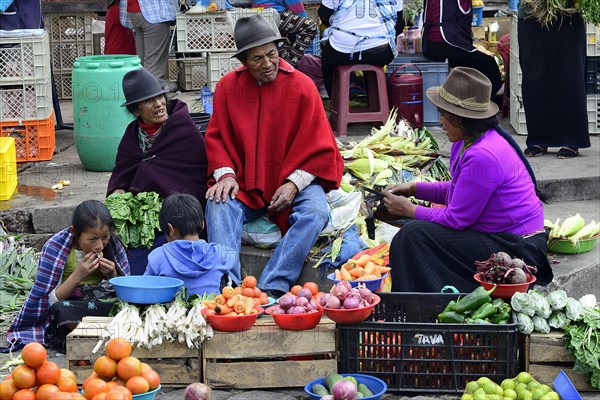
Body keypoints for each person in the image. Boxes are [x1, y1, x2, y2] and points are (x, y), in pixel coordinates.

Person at [204, 14, 344, 297]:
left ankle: (273, 284)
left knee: (315, 212)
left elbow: (321, 148)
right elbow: (216, 135)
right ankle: (227, 287)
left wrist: (293, 185)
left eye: (272, 54)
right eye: (257, 59)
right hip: (245, 183)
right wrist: (226, 174)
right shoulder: (228, 88)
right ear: (243, 61)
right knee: (218, 204)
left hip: (296, 181)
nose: (268, 64)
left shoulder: (302, 86)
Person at [381, 67, 553, 293]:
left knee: (413, 236)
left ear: (460, 119)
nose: (440, 121)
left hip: (518, 245)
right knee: (417, 233)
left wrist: (409, 210)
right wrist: (413, 188)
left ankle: (421, 304)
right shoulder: (464, 142)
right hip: (496, 234)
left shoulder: (483, 154)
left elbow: (457, 219)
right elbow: (458, 190)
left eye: (443, 115)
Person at [107, 67, 208, 275]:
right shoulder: (133, 134)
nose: (159, 104)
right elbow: (122, 173)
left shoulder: (183, 128)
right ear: (136, 111)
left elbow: (196, 176)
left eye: (160, 97)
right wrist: (119, 194)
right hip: (143, 214)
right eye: (149, 101)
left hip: (178, 211)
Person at [4, 200, 129, 352]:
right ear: (74, 232)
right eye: (92, 239)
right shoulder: (55, 247)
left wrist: (112, 275)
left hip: (100, 302)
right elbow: (49, 300)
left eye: (105, 237)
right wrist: (78, 274)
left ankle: (83, 336)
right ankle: (100, 334)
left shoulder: (113, 246)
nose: (99, 245)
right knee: (60, 310)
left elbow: (125, 291)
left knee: (128, 309)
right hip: (72, 305)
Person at [518, 9, 590, 158]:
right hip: (532, 13)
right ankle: (539, 138)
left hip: (568, 12)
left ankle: (572, 139)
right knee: (534, 75)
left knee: (569, 73)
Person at [144, 194, 237, 296]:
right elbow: (232, 256)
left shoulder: (157, 257)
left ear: (170, 229)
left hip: (172, 311)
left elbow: (145, 290)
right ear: (202, 224)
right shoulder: (221, 254)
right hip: (211, 310)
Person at [421, 0, 502, 103]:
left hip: (431, 43)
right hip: (447, 41)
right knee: (488, 65)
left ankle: (471, 101)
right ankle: (485, 106)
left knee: (470, 65)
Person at [318, 0, 403, 96]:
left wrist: (339, 27)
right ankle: (374, 99)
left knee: (327, 60)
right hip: (382, 52)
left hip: (342, 51)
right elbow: (399, 23)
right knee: (371, 61)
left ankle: (335, 100)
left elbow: (324, 14)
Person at [119, 0, 178, 91]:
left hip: (134, 12)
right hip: (153, 12)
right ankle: (153, 92)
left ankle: (142, 94)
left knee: (143, 61)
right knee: (154, 62)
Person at [251, 0, 319, 67]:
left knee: (283, 44)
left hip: (257, 14)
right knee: (310, 27)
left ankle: (285, 64)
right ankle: (290, 64)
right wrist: (304, 20)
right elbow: (296, 6)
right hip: (273, 15)